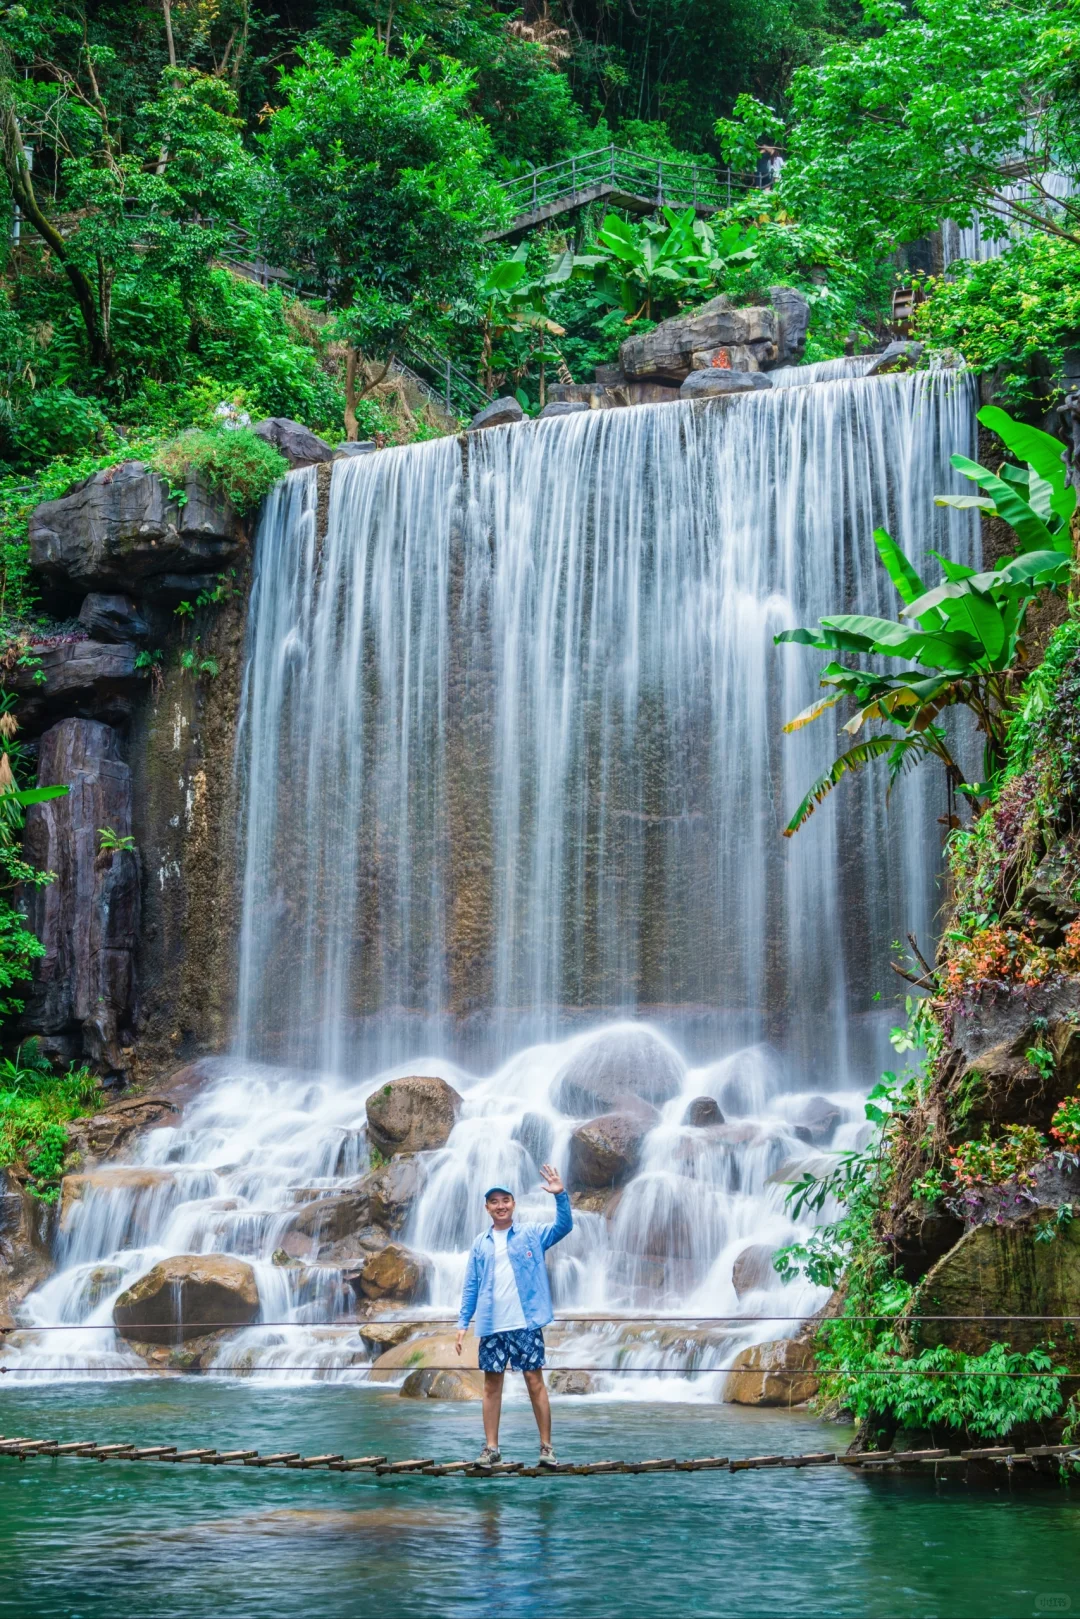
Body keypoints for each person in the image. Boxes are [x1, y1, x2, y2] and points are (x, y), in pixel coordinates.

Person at [455, 1163, 572, 1467]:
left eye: (505, 1200)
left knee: (535, 1381)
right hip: (493, 1325)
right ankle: (492, 1448)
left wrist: (560, 1196)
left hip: (525, 1321)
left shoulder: (532, 1234)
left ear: (513, 1203)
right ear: (487, 1208)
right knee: (492, 1386)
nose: (500, 1206)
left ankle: (547, 1448)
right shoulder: (481, 1244)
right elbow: (471, 1285)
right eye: (494, 1201)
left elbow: (564, 1227)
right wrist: (462, 1323)